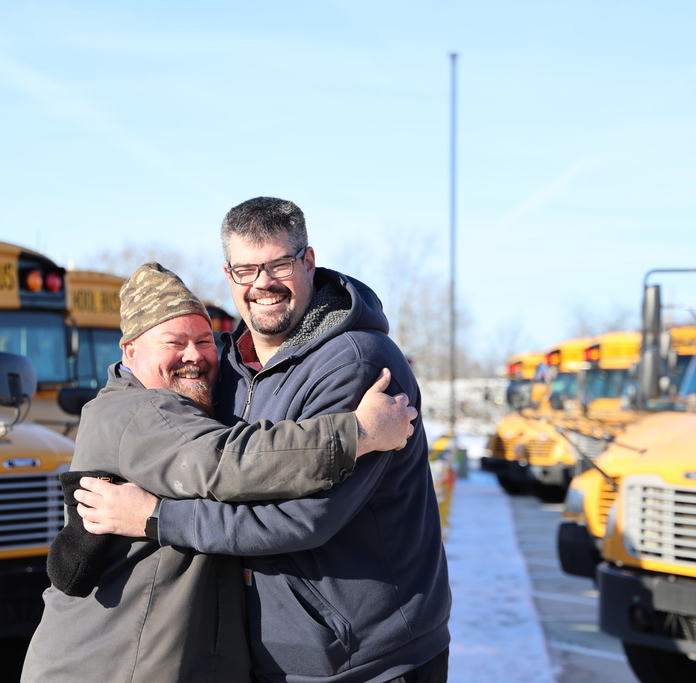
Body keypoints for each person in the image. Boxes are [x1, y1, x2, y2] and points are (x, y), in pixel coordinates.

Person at [80, 198, 451, 683]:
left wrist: (155, 518)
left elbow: (301, 519)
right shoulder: (228, 370)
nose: (263, 284)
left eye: (279, 265)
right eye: (246, 269)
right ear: (228, 274)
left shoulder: (356, 364)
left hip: (367, 660)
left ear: (308, 261)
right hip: (271, 656)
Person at [20, 262, 417, 683]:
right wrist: (357, 432)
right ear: (130, 352)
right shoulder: (144, 410)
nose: (193, 355)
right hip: (113, 668)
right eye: (174, 342)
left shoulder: (169, 407)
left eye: (204, 341)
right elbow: (232, 463)